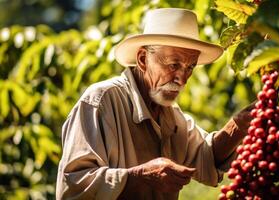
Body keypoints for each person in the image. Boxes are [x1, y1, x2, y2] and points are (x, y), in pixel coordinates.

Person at [56, 8, 252, 200]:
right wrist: (139, 177)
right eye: (173, 65)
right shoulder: (101, 101)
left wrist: (240, 124)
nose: (182, 80)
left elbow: (207, 157)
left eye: (190, 67)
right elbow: (72, 187)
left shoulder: (172, 117)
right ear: (143, 59)